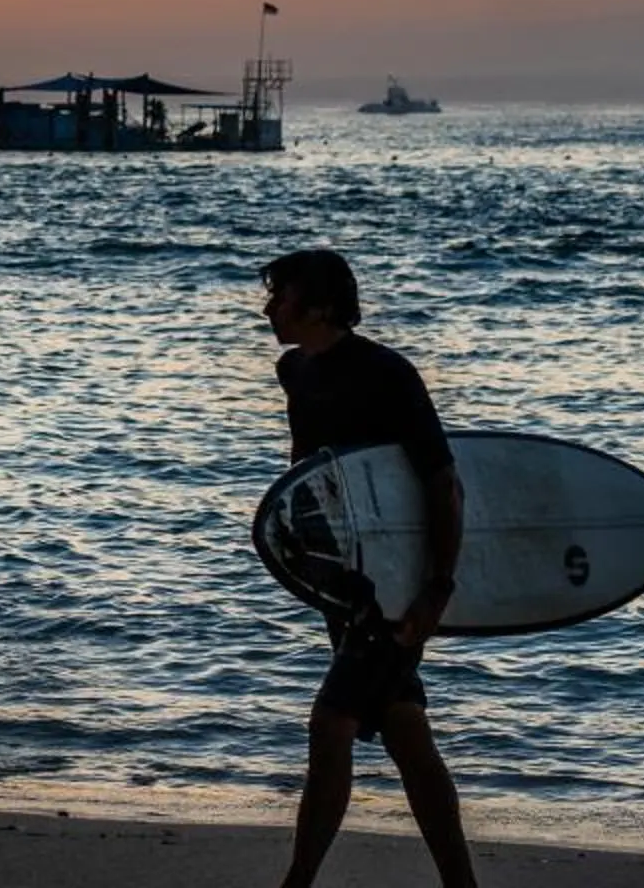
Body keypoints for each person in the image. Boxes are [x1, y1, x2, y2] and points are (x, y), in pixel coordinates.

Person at [260, 248, 477, 888]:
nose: (270, 307)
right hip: (346, 581)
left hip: (400, 581)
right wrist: (298, 554)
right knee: (406, 728)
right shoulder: (294, 371)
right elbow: (307, 475)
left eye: (282, 295)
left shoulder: (388, 373)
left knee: (332, 724)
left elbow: (444, 483)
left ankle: (297, 881)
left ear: (322, 306)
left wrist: (437, 588)